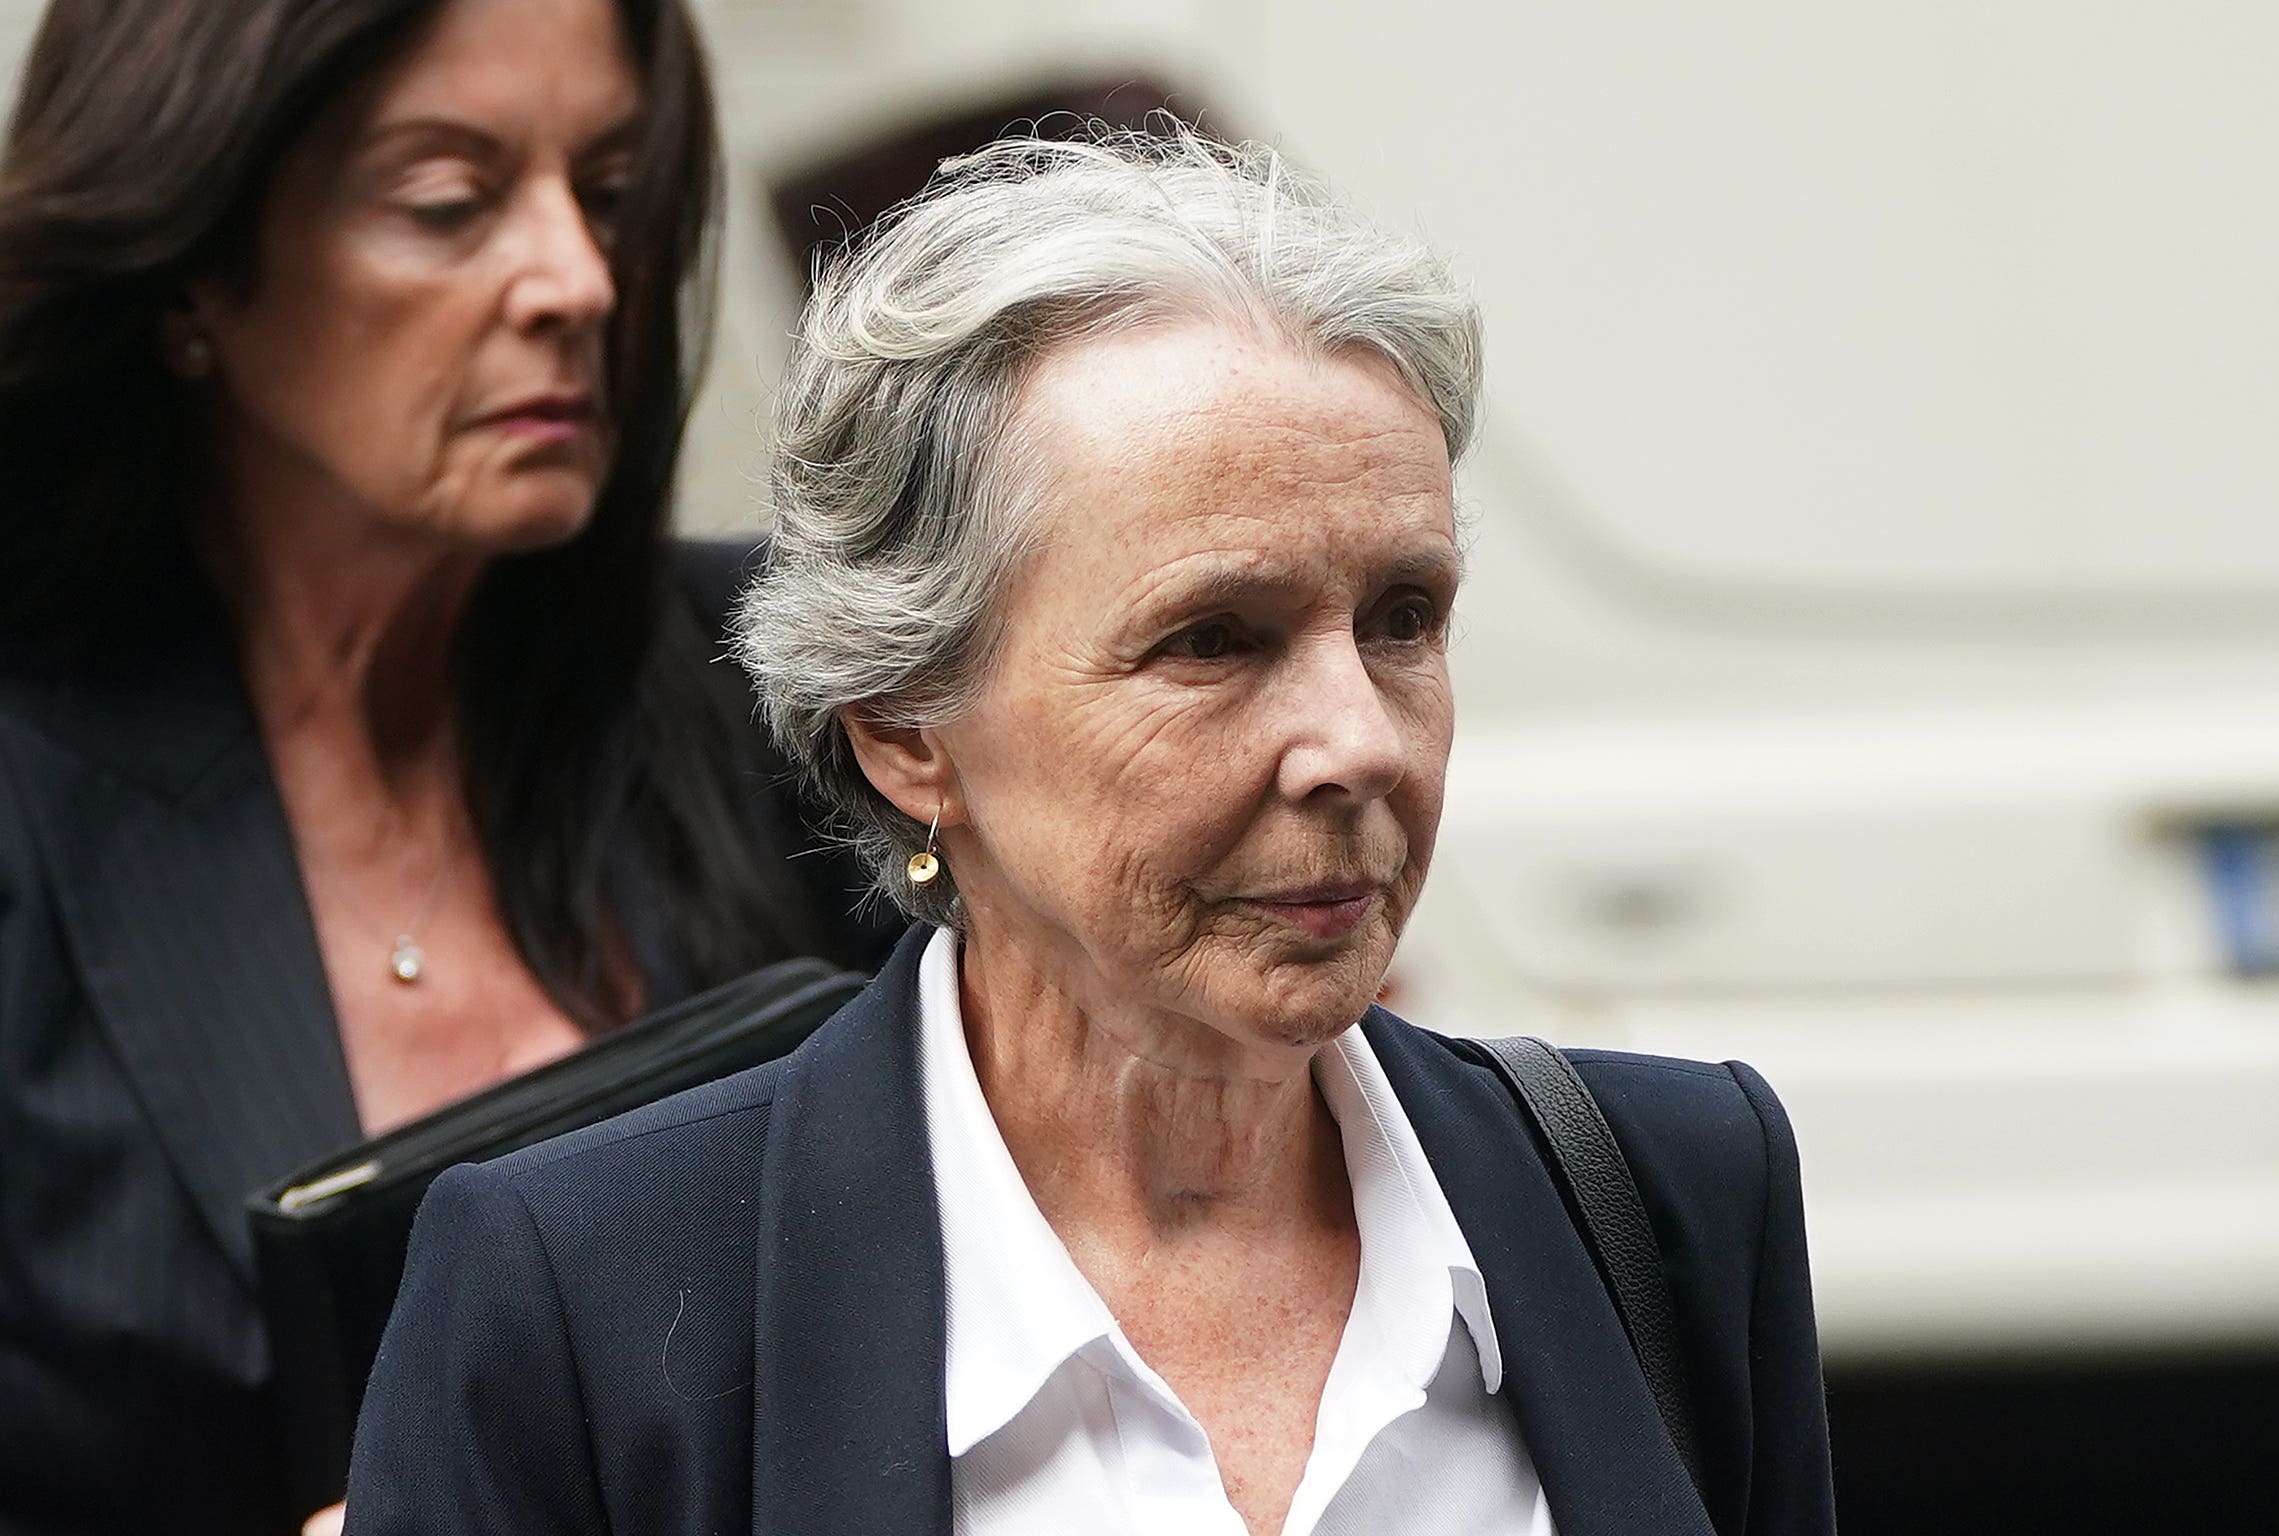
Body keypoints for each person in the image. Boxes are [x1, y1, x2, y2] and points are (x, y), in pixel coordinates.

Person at [345, 128, 1836, 1536]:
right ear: (908, 730)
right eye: (1211, 641)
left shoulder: (1667, 1189)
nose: (1361, 741)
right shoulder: (584, 1299)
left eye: (1404, 619)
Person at [0, 1, 899, 1532]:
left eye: (610, 195)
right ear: (199, 266)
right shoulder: (32, 783)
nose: (576, 279)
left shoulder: (795, 689)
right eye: (448, 204)